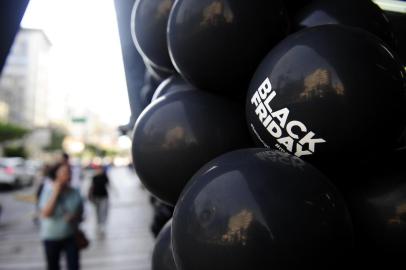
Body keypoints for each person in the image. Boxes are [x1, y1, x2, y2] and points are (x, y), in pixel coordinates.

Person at [39, 163, 84, 270]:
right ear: (56, 175)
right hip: (51, 237)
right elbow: (46, 214)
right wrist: (55, 193)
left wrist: (75, 217)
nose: (68, 175)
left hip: (71, 235)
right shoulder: (48, 191)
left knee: (74, 266)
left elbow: (82, 215)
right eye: (64, 172)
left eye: (69, 172)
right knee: (53, 266)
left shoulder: (75, 192)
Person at [88, 165, 110, 234]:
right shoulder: (94, 177)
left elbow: (109, 184)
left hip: (104, 196)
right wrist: (89, 195)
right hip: (96, 196)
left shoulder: (104, 176)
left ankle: (102, 223)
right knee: (97, 211)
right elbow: (91, 186)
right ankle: (98, 223)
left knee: (103, 210)